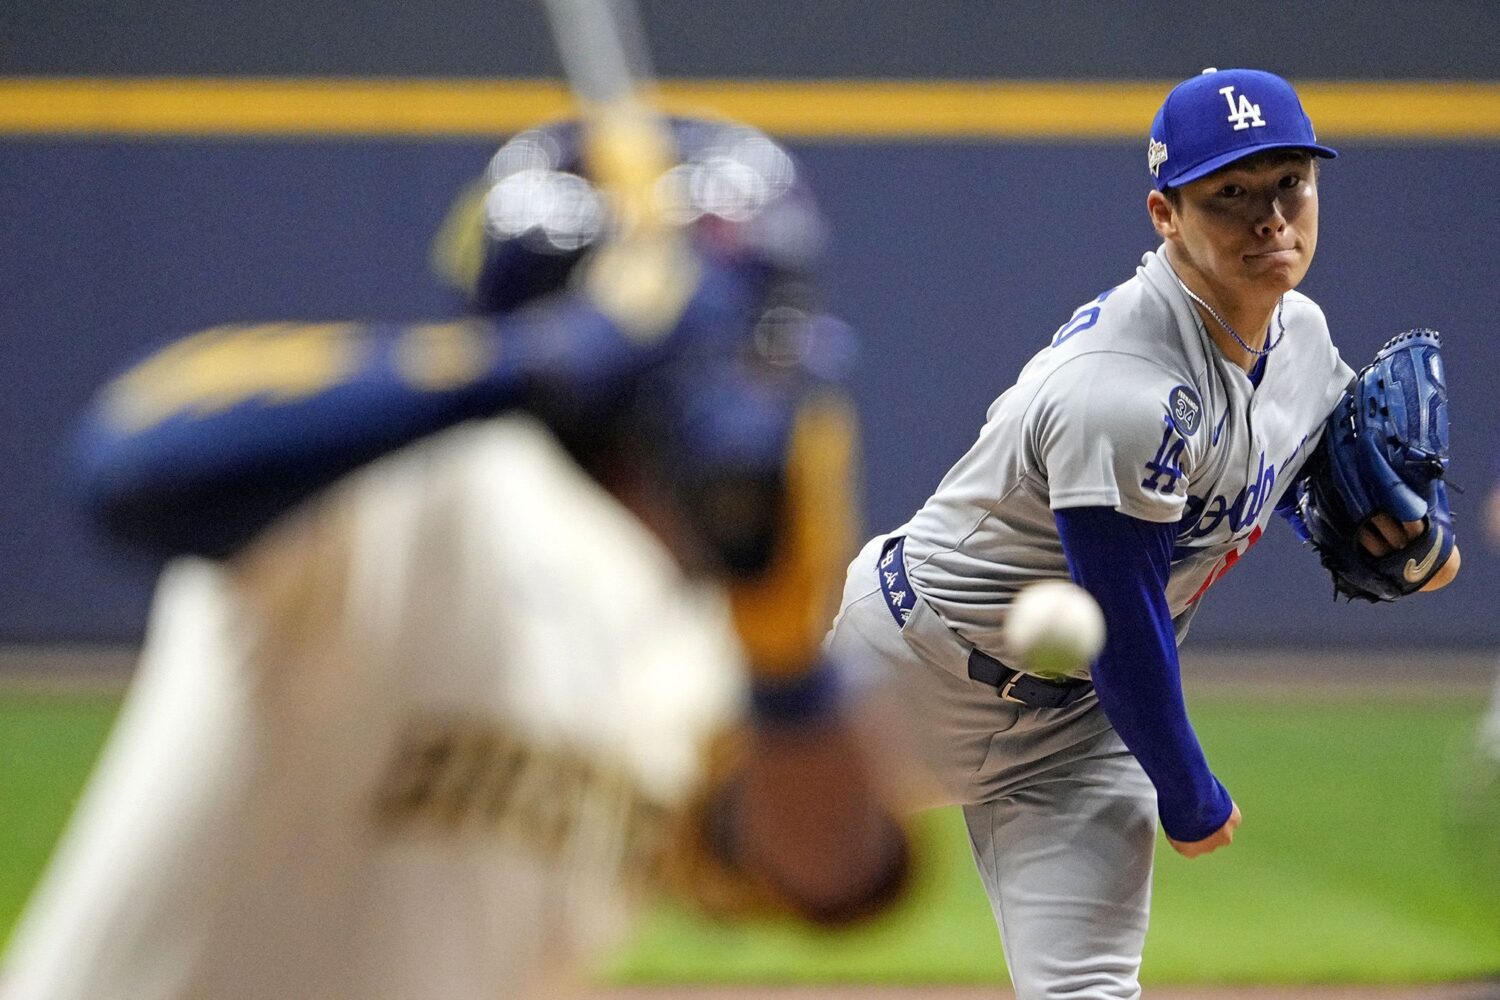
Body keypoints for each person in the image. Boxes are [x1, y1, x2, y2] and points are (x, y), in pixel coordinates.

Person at [1, 118, 909, 1000]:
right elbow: (127, 466)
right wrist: (532, 362)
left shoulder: (704, 626)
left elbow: (833, 881)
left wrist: (787, 670)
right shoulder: (395, 494)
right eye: (746, 368)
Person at [826, 67, 1460, 999]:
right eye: (1230, 195)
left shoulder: (1302, 339)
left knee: (1090, 989)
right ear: (1165, 214)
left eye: (1291, 182)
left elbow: (1271, 475)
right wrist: (1186, 785)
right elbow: (1120, 614)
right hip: (912, 676)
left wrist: (1408, 537)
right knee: (698, 846)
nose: (1270, 219)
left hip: (1080, 723)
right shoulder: (1123, 387)